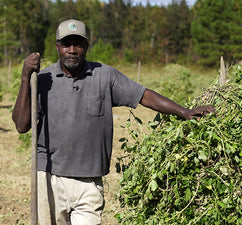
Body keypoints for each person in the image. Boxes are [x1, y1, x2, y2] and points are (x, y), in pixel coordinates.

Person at [12, 19, 215, 225]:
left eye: (78, 44)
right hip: (50, 178)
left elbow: (144, 95)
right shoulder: (44, 79)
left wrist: (184, 111)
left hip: (90, 182)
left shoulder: (104, 75)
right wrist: (25, 78)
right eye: (66, 44)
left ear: (87, 47)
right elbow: (21, 126)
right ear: (57, 47)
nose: (72, 50)